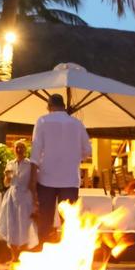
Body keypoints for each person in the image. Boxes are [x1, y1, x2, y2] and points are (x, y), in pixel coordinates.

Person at [29, 93, 91, 243]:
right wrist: (74, 158)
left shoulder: (42, 121)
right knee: (70, 221)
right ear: (64, 106)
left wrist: (32, 181)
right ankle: (69, 252)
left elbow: (35, 153)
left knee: (45, 220)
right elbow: (88, 151)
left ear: (49, 107)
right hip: (70, 179)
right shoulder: (77, 124)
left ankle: (44, 248)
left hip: (46, 179)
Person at [0, 140, 38, 260]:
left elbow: (33, 182)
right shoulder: (10, 164)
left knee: (24, 225)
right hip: (11, 197)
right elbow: (6, 184)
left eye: (21, 147)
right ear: (13, 149)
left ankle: (23, 255)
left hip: (25, 197)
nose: (19, 150)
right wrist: (7, 177)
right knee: (11, 224)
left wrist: (35, 201)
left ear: (25, 150)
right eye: (17, 147)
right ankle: (14, 256)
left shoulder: (30, 164)